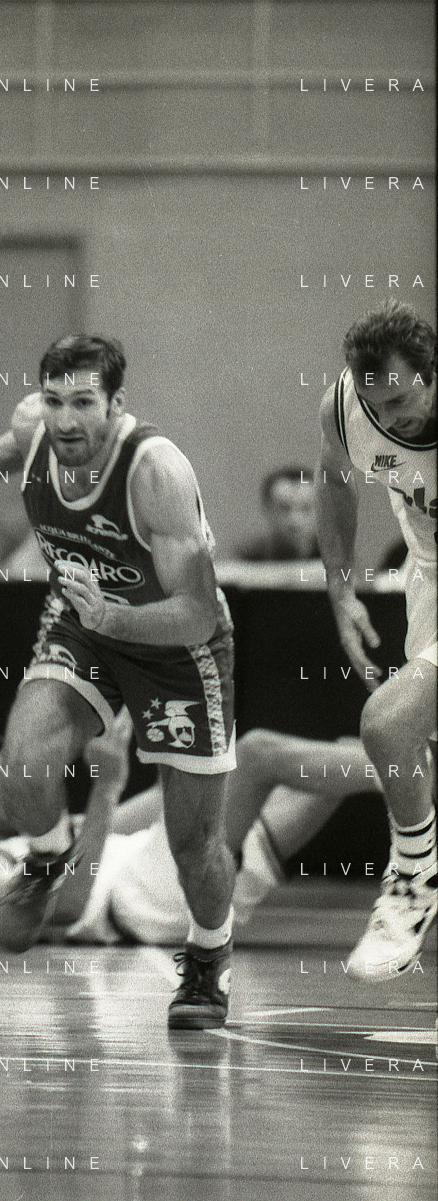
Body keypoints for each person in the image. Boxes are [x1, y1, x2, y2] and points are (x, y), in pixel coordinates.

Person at [0, 335, 237, 1028]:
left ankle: (209, 957)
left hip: (175, 645)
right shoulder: (37, 430)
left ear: (116, 404)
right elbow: (2, 454)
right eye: (54, 401)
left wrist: (113, 616)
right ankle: (47, 859)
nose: (65, 420)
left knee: (194, 844)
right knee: (22, 764)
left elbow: (197, 612)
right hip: (83, 623)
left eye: (83, 403)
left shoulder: (155, 470)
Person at [0, 716, 386, 951]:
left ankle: (407, 775)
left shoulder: (69, 832)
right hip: (142, 899)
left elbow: (161, 799)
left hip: (167, 866)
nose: (17, 784)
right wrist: (105, 788)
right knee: (257, 754)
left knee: (343, 757)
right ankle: (414, 773)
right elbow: (66, 908)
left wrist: (164, 729)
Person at [315, 299, 437, 979]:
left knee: (387, 726)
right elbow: (335, 479)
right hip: (429, 579)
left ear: (430, 371)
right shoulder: (345, 409)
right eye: (376, 405)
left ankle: (413, 879)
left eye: (400, 401)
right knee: (407, 746)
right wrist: (340, 589)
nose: (388, 419)